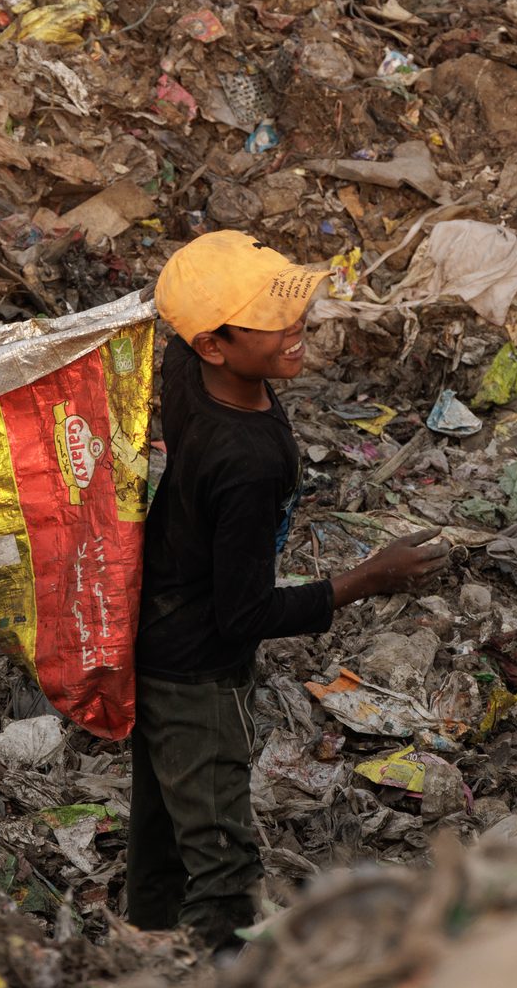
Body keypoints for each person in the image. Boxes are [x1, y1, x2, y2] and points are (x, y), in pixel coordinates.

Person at [128, 230, 449, 950]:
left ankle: (144, 938)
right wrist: (369, 578)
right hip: (197, 668)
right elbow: (243, 613)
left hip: (156, 623)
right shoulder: (245, 461)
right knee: (220, 846)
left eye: (294, 311)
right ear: (216, 345)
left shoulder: (190, 371)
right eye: (273, 322)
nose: (295, 330)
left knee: (160, 818)